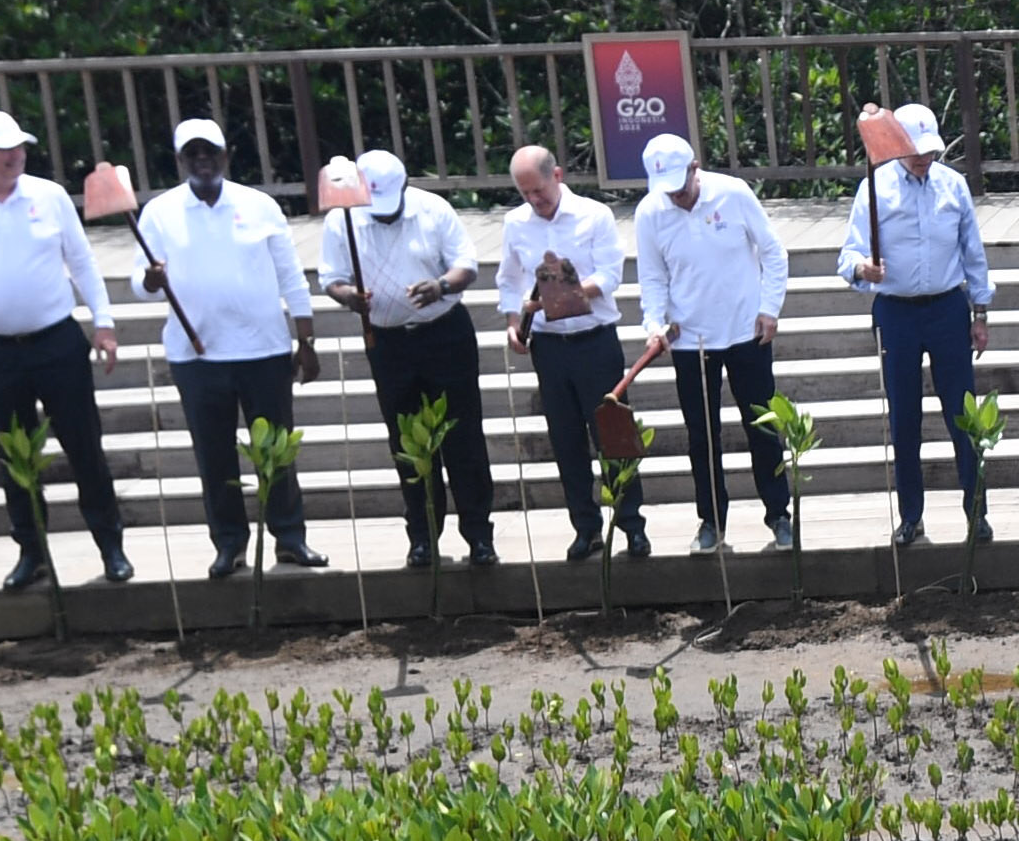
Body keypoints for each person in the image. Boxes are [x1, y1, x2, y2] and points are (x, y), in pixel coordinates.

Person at [0, 107, 129, 593]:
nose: (14, 155)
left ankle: (110, 545)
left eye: (18, 146)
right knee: (13, 454)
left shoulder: (49, 195)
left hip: (57, 340)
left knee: (84, 446)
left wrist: (104, 323)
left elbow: (81, 262)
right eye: (2, 149)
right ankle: (32, 551)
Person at [130, 120, 316, 577]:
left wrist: (306, 338)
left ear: (226, 155)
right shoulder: (158, 212)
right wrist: (149, 280)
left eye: (209, 151)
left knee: (276, 452)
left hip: (264, 349)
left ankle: (290, 539)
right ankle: (230, 544)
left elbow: (290, 273)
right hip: (197, 356)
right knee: (214, 455)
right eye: (191, 154)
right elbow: (140, 283)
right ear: (179, 161)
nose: (201, 160)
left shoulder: (259, 205)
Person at [839, 103, 994, 543]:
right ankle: (911, 515)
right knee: (905, 417)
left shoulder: (953, 185)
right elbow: (847, 256)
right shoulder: (874, 189)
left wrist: (980, 312)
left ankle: (976, 510)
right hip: (897, 311)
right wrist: (862, 270)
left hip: (948, 307)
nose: (924, 158)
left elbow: (973, 252)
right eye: (915, 151)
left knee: (964, 415)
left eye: (930, 150)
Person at [325, 150, 490, 566]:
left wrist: (441, 285)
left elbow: (466, 265)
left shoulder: (432, 209)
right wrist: (350, 298)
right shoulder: (342, 218)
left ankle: (479, 536)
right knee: (407, 442)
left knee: (463, 439)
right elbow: (332, 278)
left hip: (444, 334)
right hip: (388, 342)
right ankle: (423, 537)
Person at [633, 136, 792, 553]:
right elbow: (651, 277)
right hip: (690, 341)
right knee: (701, 436)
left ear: (695, 167)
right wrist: (653, 323)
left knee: (763, 428)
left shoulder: (734, 193)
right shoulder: (650, 212)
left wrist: (769, 307)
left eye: (681, 184)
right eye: (667, 188)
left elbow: (773, 251)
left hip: (746, 332)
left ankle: (779, 514)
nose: (678, 195)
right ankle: (711, 520)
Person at [500, 145, 642, 560]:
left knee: (615, 435)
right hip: (549, 346)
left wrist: (566, 295)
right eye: (525, 193)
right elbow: (509, 280)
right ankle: (586, 527)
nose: (534, 200)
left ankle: (632, 524)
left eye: (539, 190)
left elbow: (610, 274)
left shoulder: (593, 215)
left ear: (557, 176)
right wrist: (514, 322)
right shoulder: (515, 224)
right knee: (566, 440)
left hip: (593, 338)